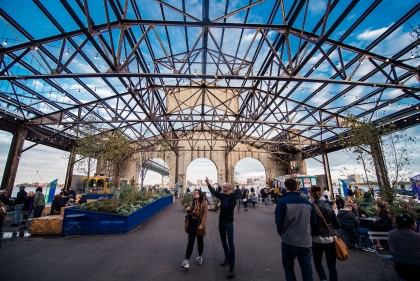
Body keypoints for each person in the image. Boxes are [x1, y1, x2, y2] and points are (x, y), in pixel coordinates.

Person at [275, 178, 316, 281]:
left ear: (286, 187)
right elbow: (314, 221)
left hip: (289, 240)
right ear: (297, 187)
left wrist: (283, 234)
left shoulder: (282, 202)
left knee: (288, 268)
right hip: (305, 242)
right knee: (307, 270)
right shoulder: (307, 203)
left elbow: (279, 222)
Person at [206, 177, 236, 278]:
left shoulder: (233, 197)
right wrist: (208, 183)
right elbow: (214, 193)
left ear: (228, 188)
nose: (222, 188)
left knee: (230, 243)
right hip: (221, 221)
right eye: (223, 186)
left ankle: (232, 267)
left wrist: (221, 205)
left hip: (229, 223)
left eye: (224, 187)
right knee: (223, 241)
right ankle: (227, 258)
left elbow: (230, 208)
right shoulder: (222, 196)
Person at [311, 185, 341, 281]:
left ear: (311, 194)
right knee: (331, 264)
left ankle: (323, 278)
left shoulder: (311, 207)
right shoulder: (328, 206)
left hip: (317, 238)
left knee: (317, 261)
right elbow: (337, 225)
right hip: (330, 238)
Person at [181, 190, 208, 269]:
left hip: (199, 223)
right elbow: (190, 213)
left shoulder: (204, 203)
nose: (194, 194)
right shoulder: (193, 202)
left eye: (196, 193)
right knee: (190, 242)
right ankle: (186, 260)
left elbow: (204, 215)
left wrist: (202, 224)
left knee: (200, 241)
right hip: (192, 223)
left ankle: (200, 256)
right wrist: (188, 210)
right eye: (194, 193)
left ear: (200, 194)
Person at [388, 214, 420, 281]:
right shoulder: (417, 237)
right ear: (412, 224)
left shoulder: (391, 234)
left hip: (400, 268)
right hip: (416, 269)